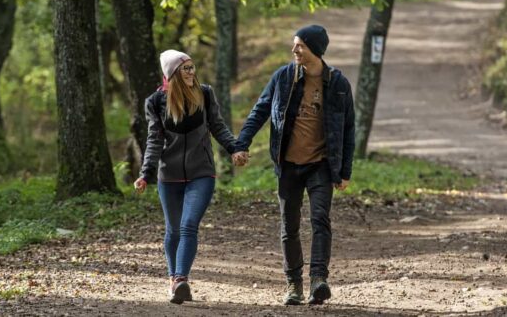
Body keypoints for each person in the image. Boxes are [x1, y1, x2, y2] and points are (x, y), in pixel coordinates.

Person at [234, 24, 355, 306]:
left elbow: (349, 129)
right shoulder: (284, 77)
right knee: (289, 226)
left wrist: (344, 172)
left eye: (300, 45)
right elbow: (260, 111)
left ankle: (318, 279)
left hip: (321, 165)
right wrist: (242, 143)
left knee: (320, 219)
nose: (294, 50)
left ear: (315, 49)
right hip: (288, 164)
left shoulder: (338, 84)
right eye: (295, 44)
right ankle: (294, 284)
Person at [136, 49, 249, 304]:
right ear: (173, 73)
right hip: (169, 176)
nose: (191, 73)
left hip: (201, 173)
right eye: (185, 69)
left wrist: (234, 148)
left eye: (192, 67)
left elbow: (217, 126)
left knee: (188, 225)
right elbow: (154, 140)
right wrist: (145, 173)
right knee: (173, 230)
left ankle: (181, 280)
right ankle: (173, 280)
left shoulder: (205, 94)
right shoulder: (156, 102)